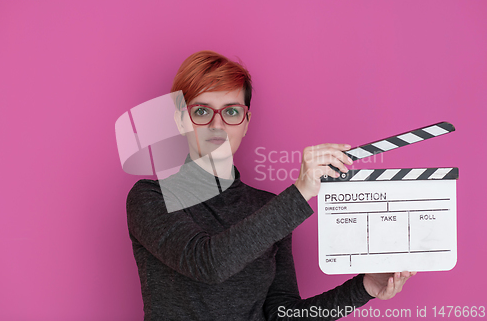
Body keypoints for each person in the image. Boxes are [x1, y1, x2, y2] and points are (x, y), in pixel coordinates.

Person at [126, 50, 416, 320]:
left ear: (246, 121)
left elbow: (283, 313)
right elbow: (208, 263)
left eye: (231, 111)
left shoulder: (268, 207)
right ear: (180, 120)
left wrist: (364, 288)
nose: (217, 125)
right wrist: (300, 192)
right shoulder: (151, 198)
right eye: (201, 111)